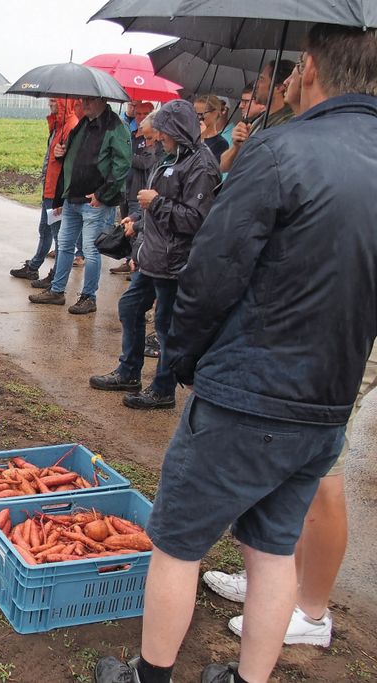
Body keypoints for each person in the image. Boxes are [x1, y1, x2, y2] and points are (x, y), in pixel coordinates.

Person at [95, 23, 377, 683]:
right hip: (328, 400)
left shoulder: (280, 151)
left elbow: (209, 277)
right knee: (273, 550)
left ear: (307, 68)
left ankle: (149, 675)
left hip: (247, 389)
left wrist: (184, 362)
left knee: (178, 543)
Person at [203, 49, 372, 650]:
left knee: (321, 471)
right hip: (302, 331)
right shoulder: (287, 137)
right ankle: (272, 579)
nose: (282, 82)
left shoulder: (341, 145)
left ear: (312, 68)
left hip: (340, 331)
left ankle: (313, 609)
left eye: (291, 71)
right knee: (281, 465)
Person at [88, 99, 220, 410]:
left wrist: (155, 203)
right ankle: (129, 371)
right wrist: (139, 220)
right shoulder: (170, 157)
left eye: (163, 132)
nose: (158, 138)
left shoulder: (201, 166)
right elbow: (161, 206)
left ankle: (163, 389)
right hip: (154, 257)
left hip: (176, 263)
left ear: (178, 131)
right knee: (131, 306)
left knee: (165, 326)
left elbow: (197, 219)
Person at [29, 95, 132, 314]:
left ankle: (88, 297)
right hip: (72, 198)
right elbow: (70, 158)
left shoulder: (115, 127)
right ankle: (57, 290)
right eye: (82, 101)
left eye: (89, 101)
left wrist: (103, 194)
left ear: (103, 101)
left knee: (91, 250)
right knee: (64, 246)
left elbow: (122, 165)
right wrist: (60, 155)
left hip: (95, 202)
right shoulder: (83, 124)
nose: (83, 105)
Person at [10, 97, 79, 282]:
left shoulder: (70, 126)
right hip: (50, 187)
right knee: (45, 229)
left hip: (57, 190)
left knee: (59, 235)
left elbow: (71, 161)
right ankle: (34, 266)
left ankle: (56, 275)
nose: (49, 103)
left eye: (53, 100)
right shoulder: (58, 124)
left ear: (63, 102)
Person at [220, 59, 295, 172]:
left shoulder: (289, 124)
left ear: (279, 87)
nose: (256, 85)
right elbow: (224, 166)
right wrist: (237, 146)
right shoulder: (259, 120)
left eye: (262, 79)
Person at [111, 101, 156, 276]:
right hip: (126, 188)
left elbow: (145, 162)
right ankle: (129, 259)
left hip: (140, 190)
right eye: (138, 114)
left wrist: (126, 153)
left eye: (145, 114)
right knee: (127, 224)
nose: (141, 117)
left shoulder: (152, 142)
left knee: (138, 227)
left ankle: (135, 262)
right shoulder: (131, 135)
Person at [195, 94, 230, 163]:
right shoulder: (190, 137)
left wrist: (201, 139)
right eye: (194, 113)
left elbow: (208, 167)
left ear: (215, 113)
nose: (197, 118)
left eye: (201, 114)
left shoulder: (221, 144)